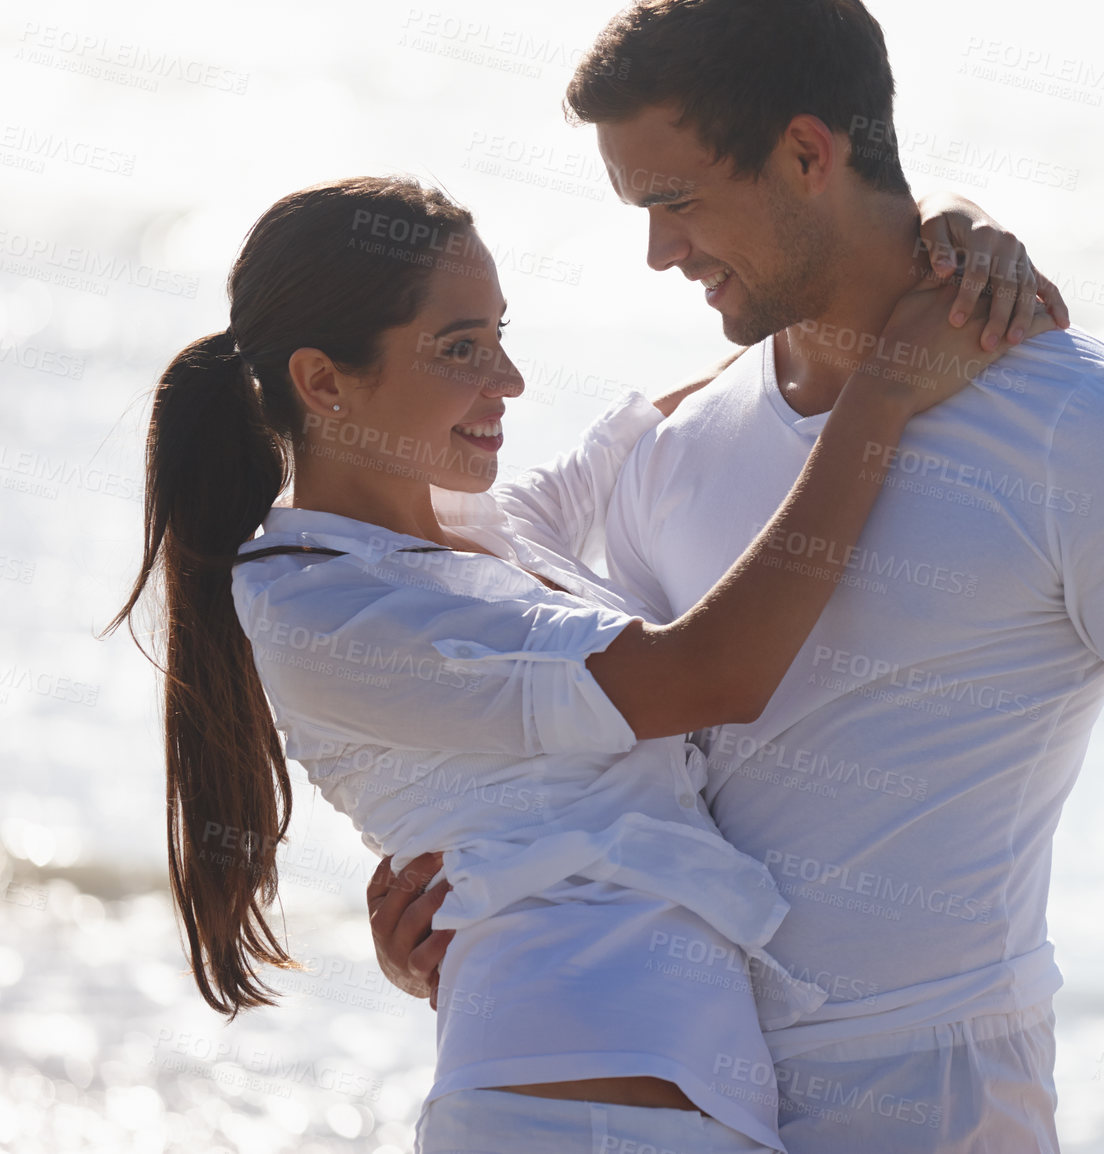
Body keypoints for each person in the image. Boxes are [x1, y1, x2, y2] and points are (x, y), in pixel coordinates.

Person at [373, 2, 1104, 1153]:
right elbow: (595, 755)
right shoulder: (675, 448)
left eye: (673, 199)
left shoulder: (1077, 429)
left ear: (807, 154)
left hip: (934, 1102)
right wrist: (458, 901)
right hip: (673, 1090)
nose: (658, 250)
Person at [108, 175, 1053, 1153]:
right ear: (322, 381)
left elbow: (725, 403)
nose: (508, 379)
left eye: (501, 334)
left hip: (676, 1108)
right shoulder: (318, 608)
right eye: (461, 347)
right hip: (564, 1116)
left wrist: (944, 238)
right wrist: (890, 392)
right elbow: (711, 672)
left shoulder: (498, 528)